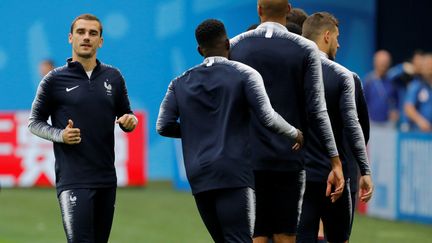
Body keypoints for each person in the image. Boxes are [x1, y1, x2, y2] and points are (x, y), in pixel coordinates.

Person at [156, 19, 303, 243]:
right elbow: (268, 117)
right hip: (233, 172)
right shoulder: (245, 74)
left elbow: (162, 125)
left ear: (199, 49)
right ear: (228, 44)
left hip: (199, 175)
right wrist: (295, 133)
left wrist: (199, 130)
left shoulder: (179, 82)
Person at [230, 1, 345, 242]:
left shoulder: (236, 45)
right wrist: (335, 161)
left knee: (257, 234)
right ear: (288, 10)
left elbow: (230, 103)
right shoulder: (305, 49)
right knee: (286, 235)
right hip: (289, 159)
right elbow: (317, 110)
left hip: (249, 157)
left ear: (259, 10)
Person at [28, 14, 138, 243]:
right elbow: (34, 122)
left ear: (101, 41)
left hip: (107, 179)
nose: (86, 37)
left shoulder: (114, 77)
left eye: (93, 33)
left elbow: (127, 115)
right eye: (81, 32)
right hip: (73, 179)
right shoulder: (53, 79)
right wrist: (60, 135)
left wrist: (130, 122)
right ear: (71, 38)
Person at [298, 12, 374, 243]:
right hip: (338, 176)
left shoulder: (292, 72)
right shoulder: (345, 77)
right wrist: (364, 170)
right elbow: (358, 127)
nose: (339, 44)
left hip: (300, 174)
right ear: (327, 36)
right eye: (337, 37)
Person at [363, 50, 399, 126]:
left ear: (389, 63)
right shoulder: (368, 81)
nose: (383, 64)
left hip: (388, 124)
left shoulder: (392, 81)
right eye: (381, 62)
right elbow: (362, 103)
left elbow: (396, 100)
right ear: (375, 62)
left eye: (385, 62)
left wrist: (395, 111)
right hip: (371, 123)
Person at [404, 53, 432, 132]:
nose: (428, 67)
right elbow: (408, 108)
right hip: (418, 133)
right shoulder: (416, 85)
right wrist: (421, 122)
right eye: (426, 65)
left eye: (430, 65)